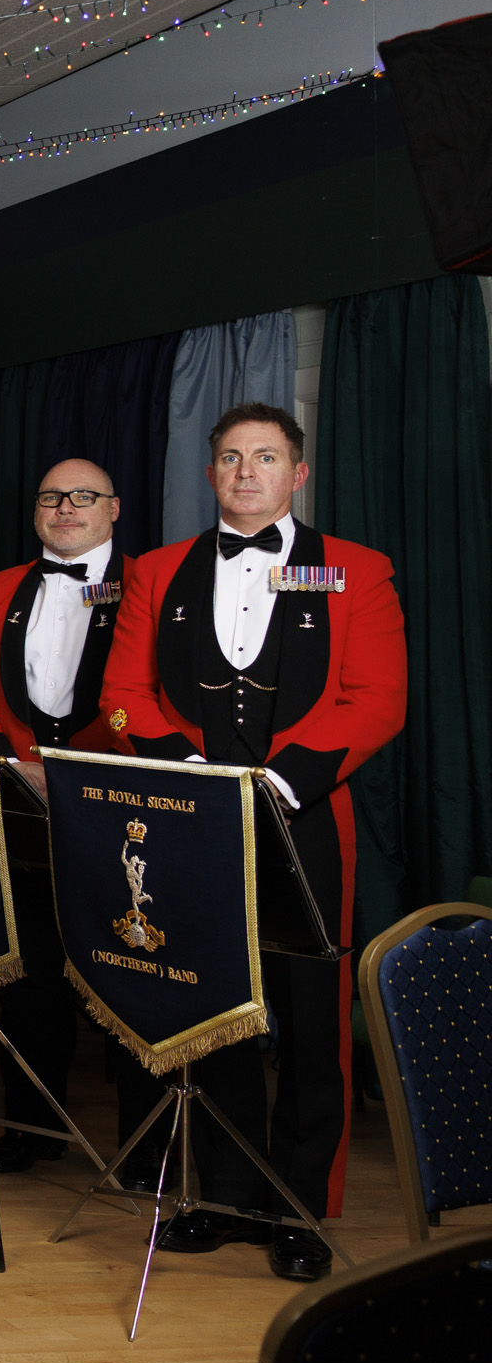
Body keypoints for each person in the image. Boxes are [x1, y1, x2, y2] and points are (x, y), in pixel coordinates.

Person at [101, 403, 406, 1282]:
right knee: (214, 1008)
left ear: (296, 474)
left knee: (311, 1016)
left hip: (304, 816)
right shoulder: (157, 571)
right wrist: (186, 769)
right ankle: (229, 1194)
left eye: (264, 458)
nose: (245, 473)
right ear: (210, 474)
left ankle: (299, 1205)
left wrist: (284, 777)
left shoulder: (356, 570)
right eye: (230, 458)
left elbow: (377, 697)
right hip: (193, 821)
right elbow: (125, 690)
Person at [0, 459, 134, 1176]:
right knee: (29, 973)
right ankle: (32, 1125)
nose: (66, 507)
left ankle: (141, 1151)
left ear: (113, 508)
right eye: (52, 496)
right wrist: (8, 764)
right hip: (13, 797)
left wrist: (79, 769)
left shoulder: (148, 584)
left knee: (129, 963)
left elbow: (144, 692)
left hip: (113, 802)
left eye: (83, 496)